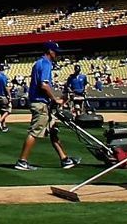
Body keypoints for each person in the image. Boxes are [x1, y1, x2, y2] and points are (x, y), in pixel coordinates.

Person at [14, 41, 79, 171]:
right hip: (40, 103)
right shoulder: (45, 64)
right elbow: (44, 85)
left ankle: (65, 159)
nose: (57, 55)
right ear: (50, 51)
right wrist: (55, 99)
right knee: (34, 131)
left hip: (42, 102)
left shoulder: (39, 63)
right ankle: (22, 161)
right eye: (55, 52)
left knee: (53, 130)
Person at [0, 63, 12, 132]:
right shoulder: (4, 76)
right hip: (3, 96)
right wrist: (9, 96)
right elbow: (6, 87)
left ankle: (4, 126)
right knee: (8, 110)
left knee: (2, 111)